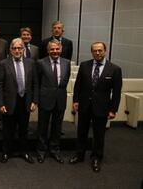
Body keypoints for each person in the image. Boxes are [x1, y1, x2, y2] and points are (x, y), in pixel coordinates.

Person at [69, 42, 122, 172]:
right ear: (91, 52)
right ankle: (79, 155)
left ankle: (96, 157)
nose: (97, 53)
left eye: (100, 50)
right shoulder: (84, 65)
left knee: (99, 134)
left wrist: (113, 109)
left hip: (102, 107)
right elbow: (78, 86)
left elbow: (116, 92)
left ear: (105, 51)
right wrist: (75, 100)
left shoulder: (114, 69)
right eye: (95, 51)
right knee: (81, 132)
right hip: (84, 105)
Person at [0, 38, 39, 164]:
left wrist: (35, 101)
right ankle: (6, 152)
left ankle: (24, 152)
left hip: (25, 101)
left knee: (23, 129)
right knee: (7, 130)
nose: (17, 50)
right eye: (14, 48)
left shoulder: (31, 63)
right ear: (10, 50)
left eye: (20, 48)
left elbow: (35, 83)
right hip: (9, 103)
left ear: (23, 49)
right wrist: (0, 103)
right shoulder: (3, 63)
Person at [36, 40, 71, 164]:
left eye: (57, 49)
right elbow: (37, 82)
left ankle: (55, 150)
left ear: (61, 50)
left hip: (60, 99)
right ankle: (41, 151)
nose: (55, 51)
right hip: (45, 98)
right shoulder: (40, 63)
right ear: (48, 50)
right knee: (42, 127)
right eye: (52, 49)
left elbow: (65, 81)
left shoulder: (67, 63)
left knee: (57, 126)